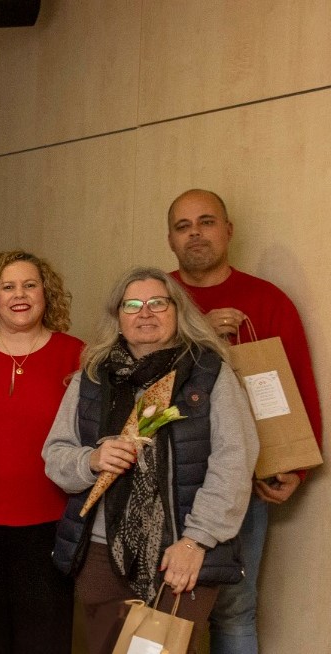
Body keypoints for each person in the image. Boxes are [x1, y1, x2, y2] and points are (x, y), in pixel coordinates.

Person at [43, 267, 256, 654]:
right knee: (103, 649)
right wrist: (92, 459)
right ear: (118, 317)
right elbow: (55, 455)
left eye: (158, 303)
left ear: (177, 312)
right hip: (101, 552)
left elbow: (235, 462)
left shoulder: (209, 374)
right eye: (133, 305)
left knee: (166, 651)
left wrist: (195, 542)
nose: (146, 313)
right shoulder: (91, 376)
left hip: (181, 553)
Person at [163, 189, 322, 654]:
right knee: (161, 606)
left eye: (206, 222)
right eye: (183, 225)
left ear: (228, 230)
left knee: (234, 607)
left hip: (240, 483)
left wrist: (298, 467)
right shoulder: (156, 299)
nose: (195, 233)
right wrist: (198, 335)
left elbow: (299, 391)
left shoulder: (267, 299)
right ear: (170, 240)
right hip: (160, 480)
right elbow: (131, 386)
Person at [0, 250, 83, 653]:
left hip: (50, 527)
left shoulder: (77, 353)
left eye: (30, 285)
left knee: (43, 641)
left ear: (47, 294)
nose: (19, 294)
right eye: (7, 286)